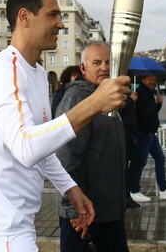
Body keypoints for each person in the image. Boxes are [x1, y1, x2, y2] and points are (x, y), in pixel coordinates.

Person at [0, 0, 130, 252]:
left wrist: (70, 188)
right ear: (25, 17)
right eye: (53, 15)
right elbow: (26, 146)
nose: (61, 24)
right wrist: (94, 103)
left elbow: (43, 145)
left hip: (19, 223)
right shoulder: (1, 71)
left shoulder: (37, 74)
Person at [56, 41, 129, 252]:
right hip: (85, 219)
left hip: (109, 213)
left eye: (108, 62)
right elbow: (65, 158)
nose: (104, 67)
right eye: (96, 62)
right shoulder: (79, 99)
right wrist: (74, 211)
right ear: (83, 68)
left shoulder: (106, 97)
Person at [130, 75, 166, 203]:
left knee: (160, 158)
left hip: (151, 134)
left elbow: (152, 113)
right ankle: (134, 190)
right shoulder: (140, 93)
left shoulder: (149, 93)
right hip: (143, 134)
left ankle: (163, 190)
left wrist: (159, 104)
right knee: (140, 162)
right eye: (150, 79)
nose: (152, 82)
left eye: (154, 79)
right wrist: (146, 130)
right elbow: (139, 115)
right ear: (143, 80)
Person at [120, 89, 141, 209]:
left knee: (128, 164)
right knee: (137, 160)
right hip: (124, 135)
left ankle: (125, 195)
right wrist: (130, 100)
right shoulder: (122, 96)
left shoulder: (128, 96)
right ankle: (125, 194)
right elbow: (119, 110)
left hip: (130, 134)